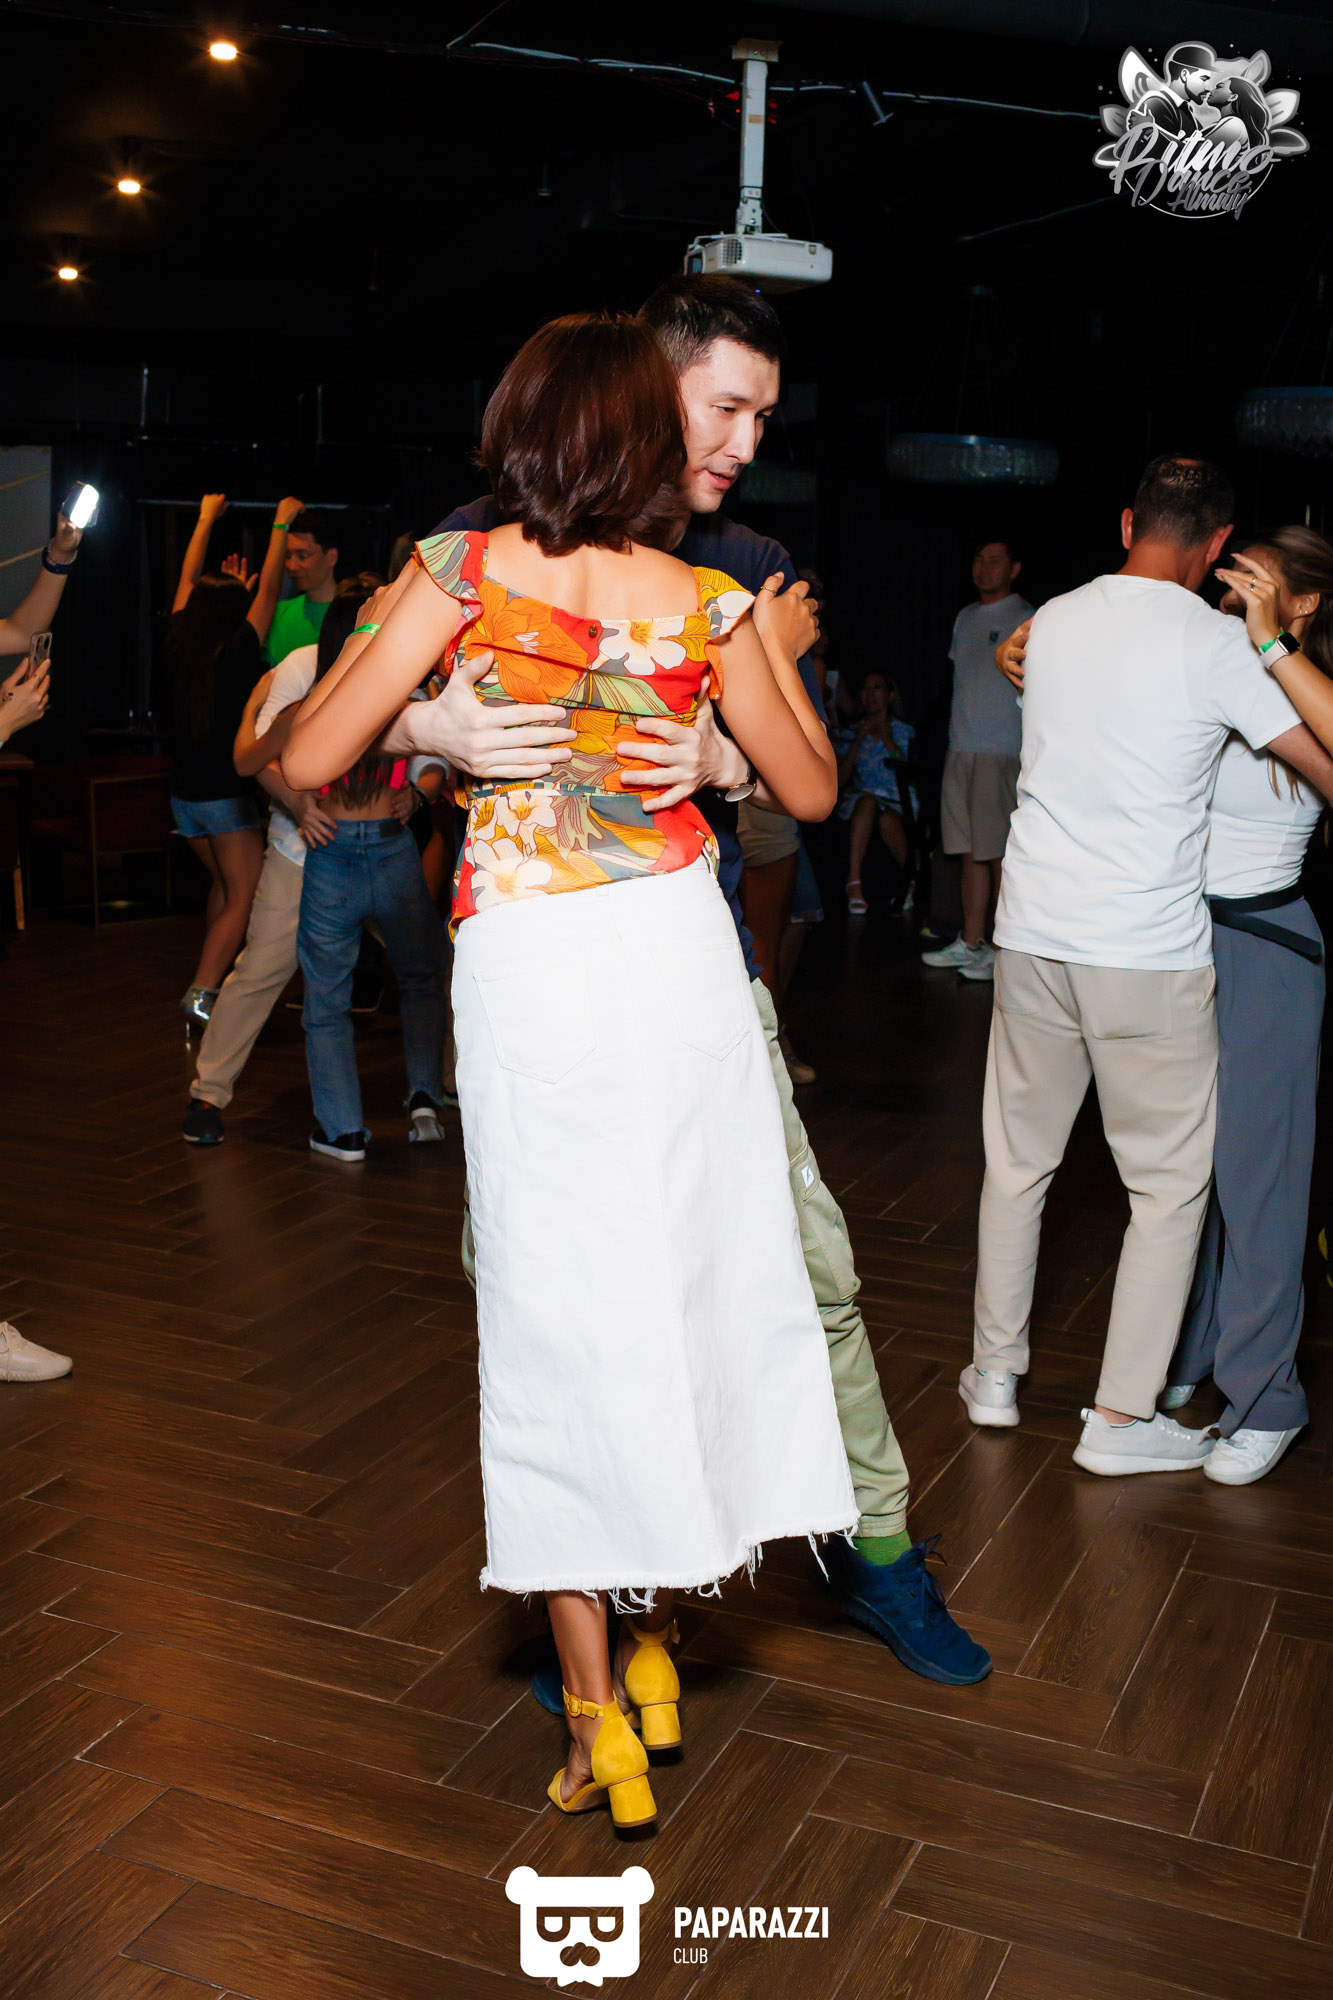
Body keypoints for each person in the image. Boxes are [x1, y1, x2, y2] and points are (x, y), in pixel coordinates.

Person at [284, 311, 862, 1829]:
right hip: (674, 956)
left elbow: (303, 758)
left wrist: (427, 720)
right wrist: (723, 757)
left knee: (557, 1318)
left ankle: (596, 1711)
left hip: (536, 963)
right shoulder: (709, 599)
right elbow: (813, 789)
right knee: (684, 1287)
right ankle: (662, 1635)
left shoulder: (459, 571)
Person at [407, 273, 989, 1688]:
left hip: (693, 981)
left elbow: (806, 767)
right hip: (543, 992)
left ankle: (872, 1553)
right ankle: (604, 1584)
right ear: (637, 389)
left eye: (764, 417)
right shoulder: (485, 537)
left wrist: (730, 756)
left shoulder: (747, 562)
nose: (743, 441)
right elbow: (326, 744)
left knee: (806, 1270)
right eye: (725, 407)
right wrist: (432, 730)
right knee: (543, 1294)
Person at [961, 455, 1332, 1475]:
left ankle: (995, 1375)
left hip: (1046, 934)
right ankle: (1119, 1420)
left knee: (1024, 1165)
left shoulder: (1060, 616)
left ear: (1128, 522)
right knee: (1168, 1191)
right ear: (1214, 545)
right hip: (1144, 947)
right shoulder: (1206, 642)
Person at [1157, 528, 1333, 1483]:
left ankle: (1268, 1398)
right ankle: (1194, 1349)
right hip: (1177, 942)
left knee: (1259, 1180)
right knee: (1188, 1167)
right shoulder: (1205, 662)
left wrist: (1271, 641)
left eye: (1255, 584)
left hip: (1266, 947)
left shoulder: (1295, 679)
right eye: (1228, 581)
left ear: (1302, 602)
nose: (1229, 595)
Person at [181, 575, 380, 1145]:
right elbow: (254, 757)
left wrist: (416, 792)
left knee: (426, 966)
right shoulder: (299, 667)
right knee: (263, 967)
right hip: (299, 849)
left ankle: (431, 1091)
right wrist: (297, 804)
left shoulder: (393, 666)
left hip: (372, 848)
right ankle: (208, 1091)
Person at [284, 591, 449, 1163]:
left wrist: (297, 801)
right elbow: (440, 756)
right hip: (390, 847)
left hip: (332, 853)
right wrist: (417, 795)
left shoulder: (317, 705)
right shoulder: (398, 693)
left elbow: (261, 760)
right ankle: (424, 1100)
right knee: (421, 979)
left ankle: (343, 1130)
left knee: (327, 999)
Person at [921, 539, 1032, 980]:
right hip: (961, 748)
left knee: (1000, 855)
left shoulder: (1028, 617)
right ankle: (971, 943)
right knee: (968, 852)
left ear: (1014, 568)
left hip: (999, 750)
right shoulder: (965, 617)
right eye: (979, 559)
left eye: (995, 561)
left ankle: (1008, 953)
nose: (984, 568)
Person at [165, 570, 266, 1025]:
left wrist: (202, 529)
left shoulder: (177, 644)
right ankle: (202, 993)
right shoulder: (238, 650)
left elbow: (185, 583)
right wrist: (278, 534)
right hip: (225, 799)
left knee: (225, 888)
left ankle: (213, 980)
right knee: (245, 895)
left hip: (183, 799)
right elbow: (268, 595)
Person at [836, 671, 918, 915]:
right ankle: (854, 882)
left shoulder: (903, 731)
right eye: (866, 688)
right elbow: (840, 779)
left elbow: (911, 771)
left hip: (898, 800)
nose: (870, 694)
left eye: (877, 688)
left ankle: (910, 880)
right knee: (867, 802)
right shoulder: (852, 732)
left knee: (887, 820)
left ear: (890, 695)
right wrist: (858, 739)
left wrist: (887, 738)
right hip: (863, 799)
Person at [259, 508, 340, 667]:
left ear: (331, 557)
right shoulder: (278, 613)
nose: (292, 566)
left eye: (302, 556)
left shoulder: (353, 611)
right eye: (287, 556)